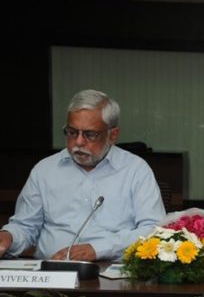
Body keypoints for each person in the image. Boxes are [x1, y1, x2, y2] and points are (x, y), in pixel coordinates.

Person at [0, 89, 165, 261]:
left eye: (90, 135)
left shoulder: (135, 170)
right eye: (72, 132)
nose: (78, 142)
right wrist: (8, 237)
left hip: (112, 272)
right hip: (52, 270)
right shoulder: (45, 170)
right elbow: (25, 226)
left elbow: (153, 229)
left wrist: (98, 249)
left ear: (113, 135)